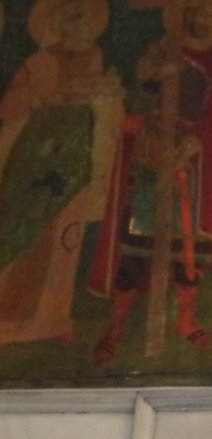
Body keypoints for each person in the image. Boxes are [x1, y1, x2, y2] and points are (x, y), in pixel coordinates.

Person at [88, 0, 212, 365]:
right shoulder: (161, 50)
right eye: (196, 12)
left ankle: (185, 323)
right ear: (184, 16)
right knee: (135, 250)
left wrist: (193, 142)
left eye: (210, 14)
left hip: (192, 162)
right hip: (152, 153)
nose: (202, 19)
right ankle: (115, 329)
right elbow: (138, 94)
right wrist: (157, 73)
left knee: (186, 253)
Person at [0, 0, 122, 345]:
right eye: (71, 18)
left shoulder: (96, 58)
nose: (78, 25)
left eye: (83, 18)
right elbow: (10, 106)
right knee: (26, 233)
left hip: (77, 157)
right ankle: (9, 317)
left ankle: (53, 319)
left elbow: (105, 105)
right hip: (38, 159)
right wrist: (50, 98)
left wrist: (105, 98)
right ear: (57, 23)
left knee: (67, 236)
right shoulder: (40, 60)